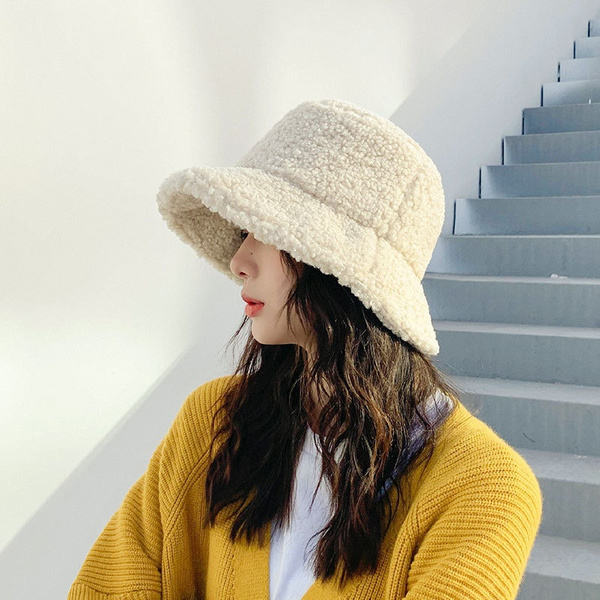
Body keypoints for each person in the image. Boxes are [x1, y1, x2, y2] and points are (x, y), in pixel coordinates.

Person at [67, 98, 543, 600]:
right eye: (244, 230)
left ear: (334, 269)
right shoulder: (213, 423)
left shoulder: (484, 488)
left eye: (265, 231)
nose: (239, 260)